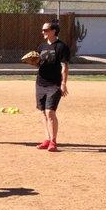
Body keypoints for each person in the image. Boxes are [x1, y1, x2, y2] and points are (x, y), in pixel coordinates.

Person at [35, 19, 70, 152]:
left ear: (53, 31)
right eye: (42, 30)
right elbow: (38, 63)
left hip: (54, 84)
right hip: (40, 83)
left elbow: (64, 66)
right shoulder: (41, 47)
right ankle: (47, 139)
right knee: (43, 112)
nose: (43, 32)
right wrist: (33, 62)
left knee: (50, 112)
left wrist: (63, 83)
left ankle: (53, 141)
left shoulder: (62, 47)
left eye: (45, 30)